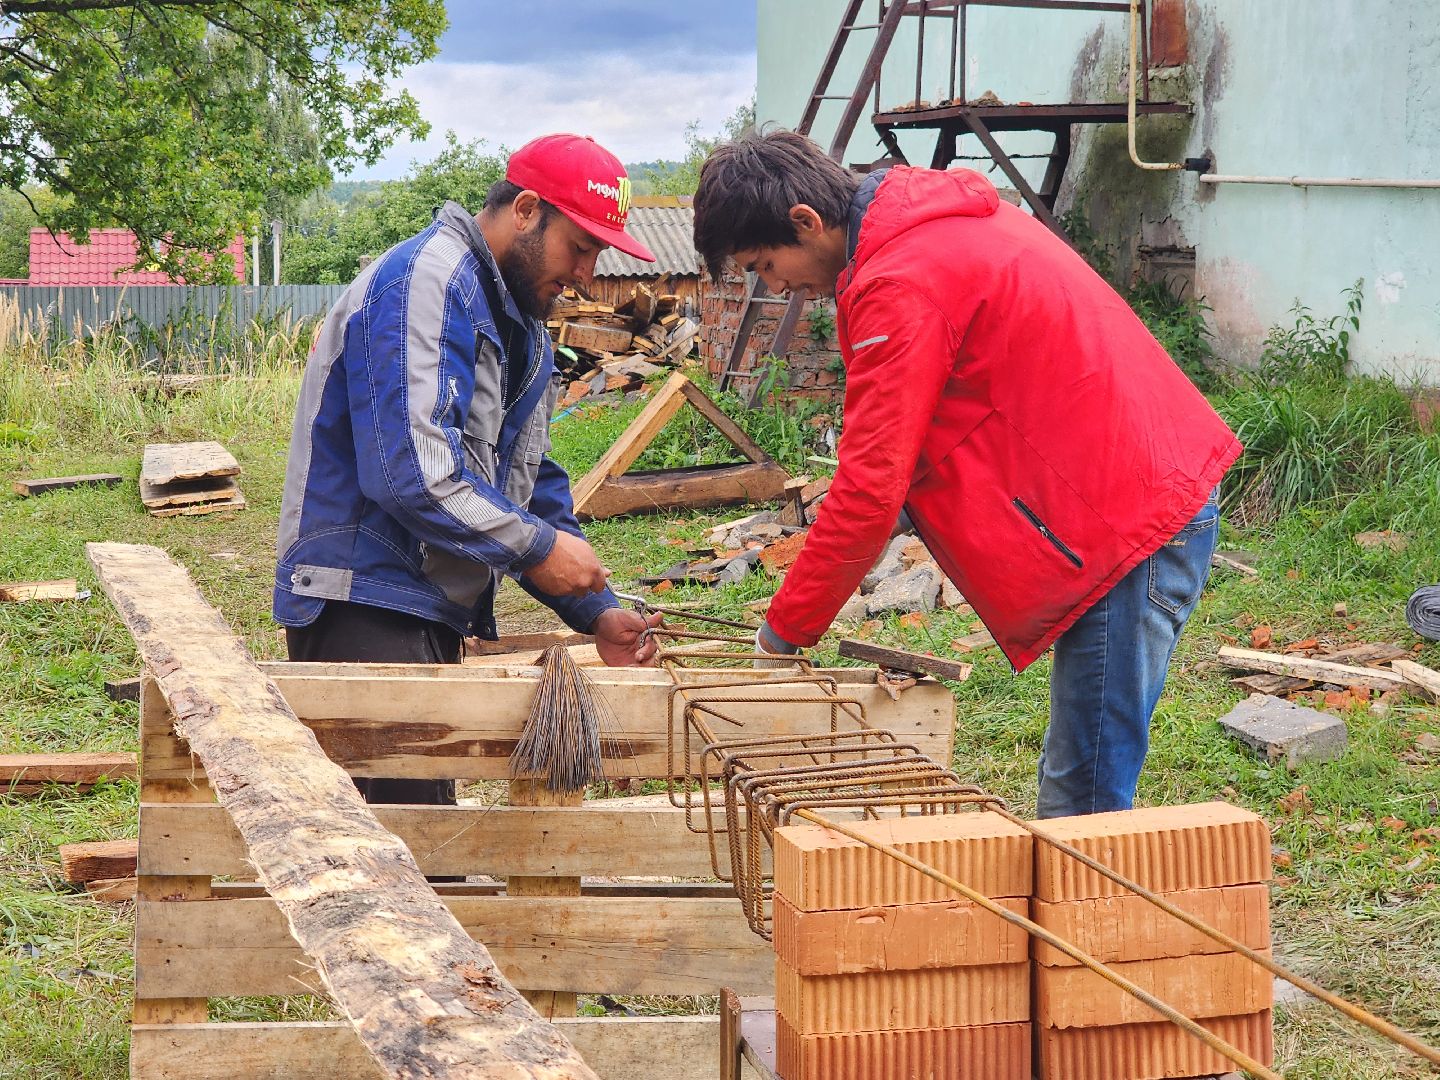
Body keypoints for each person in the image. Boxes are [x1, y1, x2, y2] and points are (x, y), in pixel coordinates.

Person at [692, 130, 1241, 819]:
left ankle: (1083, 923)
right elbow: (898, 458)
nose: (775, 286)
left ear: (805, 220)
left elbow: (870, 488)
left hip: (1133, 519)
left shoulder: (902, 277)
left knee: (1085, 795)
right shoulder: (926, 232)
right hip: (1128, 493)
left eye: (765, 263)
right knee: (1084, 774)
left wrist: (782, 634)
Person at [274, 133, 663, 808]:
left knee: (418, 850)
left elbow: (530, 478)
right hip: (362, 600)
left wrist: (595, 610)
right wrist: (542, 552)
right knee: (402, 864)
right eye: (580, 246)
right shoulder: (428, 283)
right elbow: (414, 474)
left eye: (599, 253)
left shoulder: (525, 328)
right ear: (526, 210)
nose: (587, 273)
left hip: (424, 606)